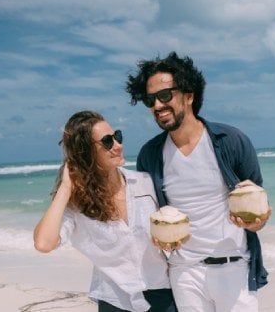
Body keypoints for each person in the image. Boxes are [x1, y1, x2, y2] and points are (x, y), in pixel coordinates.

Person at [125, 52, 270, 311]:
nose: (158, 105)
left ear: (189, 95)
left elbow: (258, 199)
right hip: (184, 272)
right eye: (151, 99)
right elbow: (150, 214)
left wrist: (259, 221)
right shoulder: (150, 155)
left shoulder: (231, 141)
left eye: (165, 95)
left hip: (233, 267)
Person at [33, 111, 176, 312]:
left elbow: (171, 223)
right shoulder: (77, 204)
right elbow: (44, 243)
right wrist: (65, 188)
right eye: (107, 141)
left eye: (117, 136)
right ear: (86, 153)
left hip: (161, 293)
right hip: (114, 300)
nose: (118, 145)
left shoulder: (144, 182)